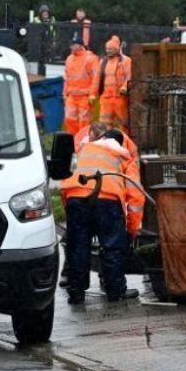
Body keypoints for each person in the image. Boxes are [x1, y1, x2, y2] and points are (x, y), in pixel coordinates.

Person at [61, 124, 143, 304]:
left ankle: (76, 292)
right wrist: (132, 230)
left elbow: (67, 179)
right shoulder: (124, 156)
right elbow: (136, 197)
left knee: (78, 245)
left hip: (76, 197)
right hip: (107, 200)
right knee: (112, 246)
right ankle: (115, 291)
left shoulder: (84, 149)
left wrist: (68, 206)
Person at [63, 34, 99, 135]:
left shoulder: (90, 58)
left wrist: (92, 94)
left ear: (80, 45)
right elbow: (66, 77)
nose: (71, 47)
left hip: (85, 96)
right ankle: (74, 142)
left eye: (74, 45)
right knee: (69, 120)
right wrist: (64, 93)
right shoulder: (69, 59)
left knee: (84, 122)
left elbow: (95, 78)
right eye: (71, 45)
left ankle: (83, 143)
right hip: (72, 96)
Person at [96, 35, 132, 133]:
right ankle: (106, 144)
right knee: (104, 124)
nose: (108, 51)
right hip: (106, 98)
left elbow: (129, 76)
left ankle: (124, 143)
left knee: (123, 124)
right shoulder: (103, 62)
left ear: (117, 49)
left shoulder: (126, 61)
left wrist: (125, 87)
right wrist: (93, 93)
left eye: (111, 49)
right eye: (107, 49)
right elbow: (97, 79)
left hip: (120, 97)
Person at [30, 4, 57, 77]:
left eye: (46, 12)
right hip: (39, 44)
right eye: (43, 12)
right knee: (40, 62)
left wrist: (54, 41)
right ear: (40, 13)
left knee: (48, 62)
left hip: (49, 43)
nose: (45, 14)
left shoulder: (52, 20)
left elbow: (54, 31)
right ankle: (40, 75)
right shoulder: (36, 20)